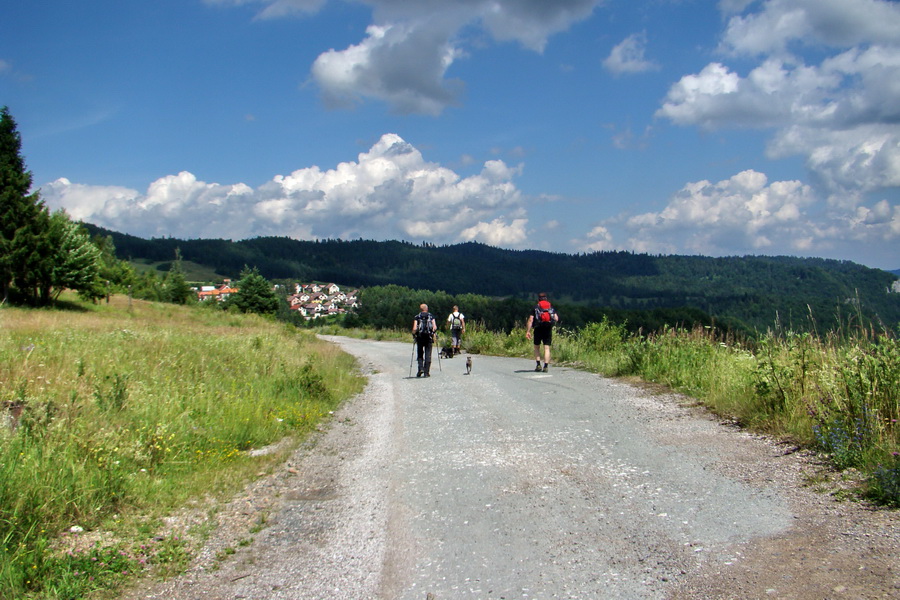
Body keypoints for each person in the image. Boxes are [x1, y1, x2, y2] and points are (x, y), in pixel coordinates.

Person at [525, 292, 559, 372]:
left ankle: (538, 365)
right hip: (548, 328)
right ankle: (546, 366)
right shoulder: (550, 307)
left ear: (538, 299)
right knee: (546, 347)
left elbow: (531, 320)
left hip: (538, 328)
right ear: (546, 298)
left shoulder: (536, 307)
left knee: (537, 347)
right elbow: (556, 318)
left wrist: (528, 331)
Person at [412, 303, 437, 377]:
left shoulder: (417, 317)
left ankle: (420, 369)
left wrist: (414, 334)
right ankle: (426, 372)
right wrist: (433, 333)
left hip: (420, 337)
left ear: (420, 309)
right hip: (428, 337)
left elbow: (414, 328)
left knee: (420, 353)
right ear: (427, 309)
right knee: (428, 354)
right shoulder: (431, 316)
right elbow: (434, 327)